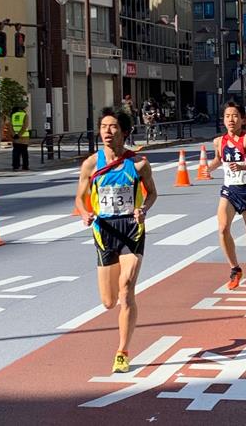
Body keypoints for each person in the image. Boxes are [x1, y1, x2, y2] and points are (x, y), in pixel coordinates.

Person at [75, 106, 157, 373]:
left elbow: (152, 193)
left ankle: (122, 351)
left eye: (113, 127)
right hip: (104, 230)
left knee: (126, 289)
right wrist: (86, 212)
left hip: (131, 228)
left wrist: (143, 209)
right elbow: (80, 197)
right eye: (103, 127)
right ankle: (121, 337)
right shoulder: (91, 163)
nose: (107, 132)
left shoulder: (138, 164)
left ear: (124, 132)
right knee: (108, 301)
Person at [207, 102, 246, 290]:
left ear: (242, 119)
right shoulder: (219, 141)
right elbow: (219, 159)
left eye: (235, 116)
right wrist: (207, 168)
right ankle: (235, 269)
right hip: (229, 190)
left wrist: (243, 167)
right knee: (223, 229)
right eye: (227, 116)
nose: (231, 120)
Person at [10, 106, 30, 171]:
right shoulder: (25, 115)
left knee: (16, 152)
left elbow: (10, 126)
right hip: (24, 137)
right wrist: (19, 135)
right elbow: (25, 126)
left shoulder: (13, 115)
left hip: (15, 138)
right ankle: (25, 166)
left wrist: (14, 135)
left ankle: (15, 166)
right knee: (24, 153)